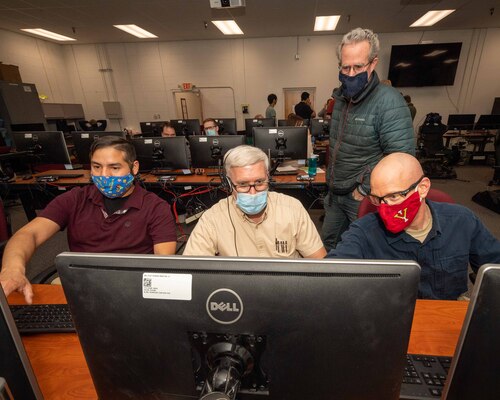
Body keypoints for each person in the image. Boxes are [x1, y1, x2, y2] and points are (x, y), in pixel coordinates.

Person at [0, 136, 177, 303]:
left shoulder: (156, 207)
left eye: (114, 168)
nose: (105, 175)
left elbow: (163, 264)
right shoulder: (76, 198)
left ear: (134, 167)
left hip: (131, 290)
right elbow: (28, 234)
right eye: (97, 167)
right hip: (81, 286)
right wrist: (12, 268)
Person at [327, 152, 500, 300]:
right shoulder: (365, 231)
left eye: (394, 196)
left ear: (422, 188)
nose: (385, 208)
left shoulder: (462, 221)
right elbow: (330, 276)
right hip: (388, 316)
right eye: (378, 199)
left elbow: (495, 267)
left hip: (446, 313)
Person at [322, 27, 415, 251]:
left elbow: (401, 158)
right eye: (346, 67)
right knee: (327, 245)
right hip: (336, 192)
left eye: (358, 66)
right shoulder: (341, 98)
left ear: (372, 64)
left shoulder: (389, 102)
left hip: (361, 196)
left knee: (364, 251)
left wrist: (364, 188)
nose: (351, 73)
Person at [183, 145, 326, 258]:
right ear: (228, 184)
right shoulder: (212, 219)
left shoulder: (292, 208)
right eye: (243, 185)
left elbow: (319, 263)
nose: (253, 193)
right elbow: (192, 271)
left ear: (268, 177)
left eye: (259, 182)